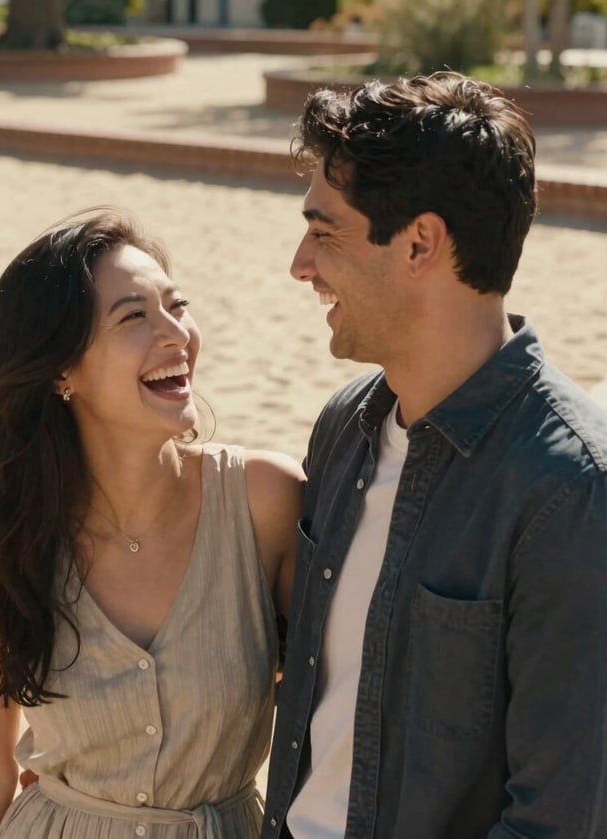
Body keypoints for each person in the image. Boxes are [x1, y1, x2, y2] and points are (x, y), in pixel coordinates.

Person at [262, 72, 607, 838]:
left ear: (420, 242)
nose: (300, 264)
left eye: (324, 233)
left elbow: (561, 816)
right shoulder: (343, 428)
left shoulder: (572, 489)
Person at [0, 206, 304, 839]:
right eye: (134, 316)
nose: (176, 334)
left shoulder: (265, 503)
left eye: (176, 307)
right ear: (60, 370)